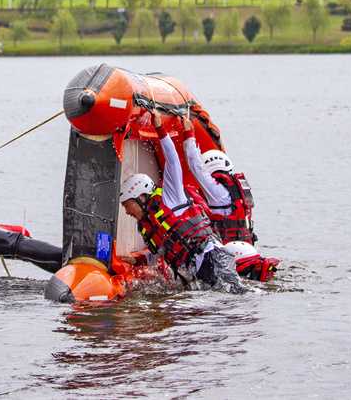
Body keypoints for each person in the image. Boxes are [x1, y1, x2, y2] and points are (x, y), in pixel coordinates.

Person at [118, 109, 247, 294]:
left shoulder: (171, 196)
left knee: (233, 297)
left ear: (140, 197)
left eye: (127, 205)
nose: (127, 212)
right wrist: (139, 261)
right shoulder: (148, 224)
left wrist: (160, 128)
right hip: (198, 269)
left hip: (214, 258)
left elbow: (173, 161)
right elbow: (164, 252)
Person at [181, 116, 279, 282]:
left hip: (230, 255)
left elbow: (195, 165)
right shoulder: (234, 191)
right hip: (247, 251)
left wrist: (188, 133)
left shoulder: (217, 192)